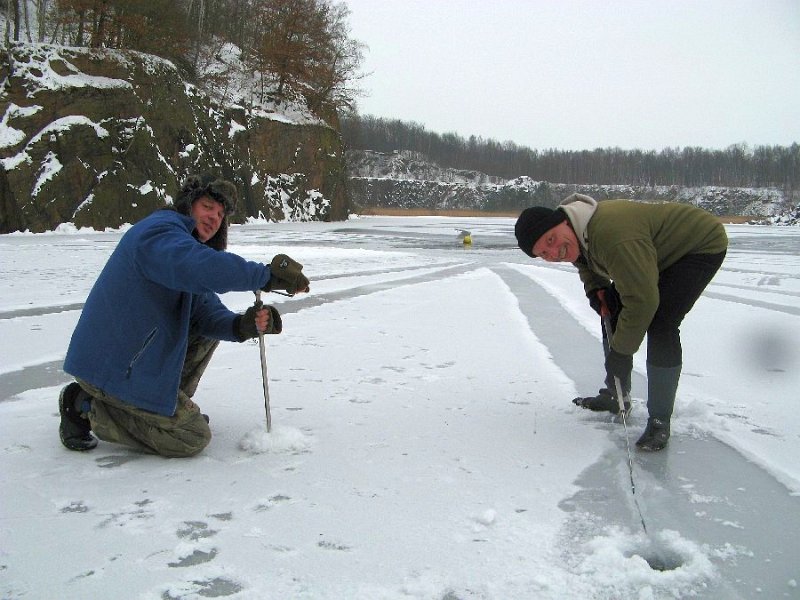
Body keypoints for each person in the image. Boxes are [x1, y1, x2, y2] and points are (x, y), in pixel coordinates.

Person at [58, 174, 310, 457]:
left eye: (220, 214)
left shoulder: (186, 250)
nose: (214, 217)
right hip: (107, 367)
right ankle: (85, 405)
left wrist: (242, 325)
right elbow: (198, 266)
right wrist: (264, 275)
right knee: (191, 436)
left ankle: (159, 406)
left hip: (131, 365)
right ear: (188, 204)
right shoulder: (157, 233)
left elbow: (206, 313)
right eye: (207, 207)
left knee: (205, 332)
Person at [515, 193, 727, 451]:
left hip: (696, 245)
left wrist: (621, 353)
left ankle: (659, 419)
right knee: (612, 307)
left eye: (550, 240)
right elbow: (584, 261)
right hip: (651, 251)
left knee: (661, 322)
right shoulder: (577, 233)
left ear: (564, 222)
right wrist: (596, 288)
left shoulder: (611, 235)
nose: (553, 252)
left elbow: (642, 300)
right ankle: (616, 396)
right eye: (543, 254)